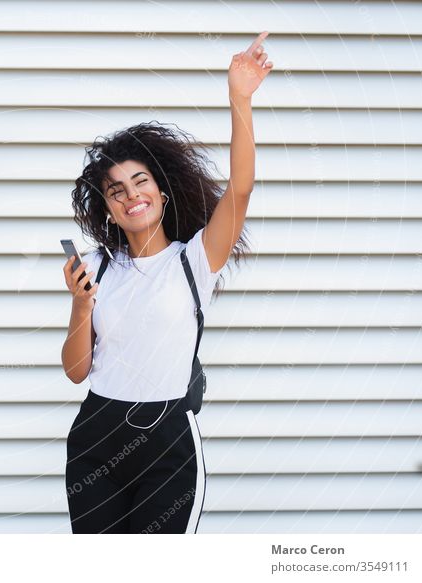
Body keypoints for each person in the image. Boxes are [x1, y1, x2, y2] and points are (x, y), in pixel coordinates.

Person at [60, 32, 273, 534]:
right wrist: (80, 304)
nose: (131, 197)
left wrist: (239, 98)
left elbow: (240, 189)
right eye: (116, 191)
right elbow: (76, 372)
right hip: (96, 439)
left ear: (160, 189)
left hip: (167, 443)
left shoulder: (195, 259)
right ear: (107, 208)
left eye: (140, 183)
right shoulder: (97, 264)